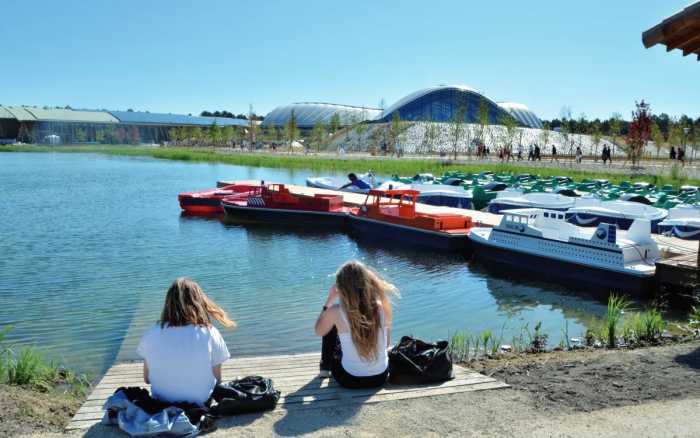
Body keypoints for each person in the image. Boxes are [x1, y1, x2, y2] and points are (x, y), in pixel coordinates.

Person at [137, 278, 235, 406]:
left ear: (168, 303)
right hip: (201, 402)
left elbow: (147, 379)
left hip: (161, 402)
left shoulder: (151, 333)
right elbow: (218, 379)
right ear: (198, 302)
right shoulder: (210, 332)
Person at [315, 261, 396, 389]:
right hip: (380, 377)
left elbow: (319, 331)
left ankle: (325, 368)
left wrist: (330, 300)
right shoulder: (381, 307)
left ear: (341, 287)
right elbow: (386, 344)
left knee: (329, 326)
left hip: (349, 379)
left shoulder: (336, 311)